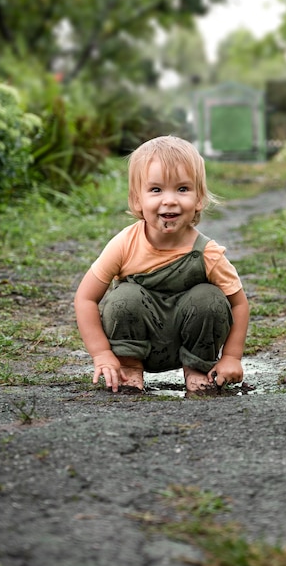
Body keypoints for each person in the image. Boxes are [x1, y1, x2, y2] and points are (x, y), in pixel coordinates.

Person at [74, 135, 249, 394]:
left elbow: (239, 303)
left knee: (209, 297)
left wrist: (232, 357)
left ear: (199, 198)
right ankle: (129, 369)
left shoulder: (208, 253)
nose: (169, 200)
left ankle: (197, 370)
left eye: (182, 189)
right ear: (137, 200)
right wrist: (101, 354)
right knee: (126, 296)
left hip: (191, 342)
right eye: (156, 190)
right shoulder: (125, 243)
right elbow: (85, 298)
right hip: (136, 342)